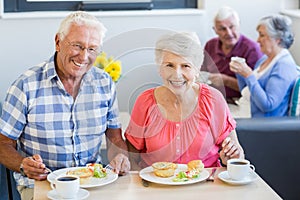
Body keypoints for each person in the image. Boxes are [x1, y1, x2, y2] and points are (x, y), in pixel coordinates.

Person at [0, 11, 130, 199]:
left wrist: (120, 157)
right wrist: (23, 163)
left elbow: (115, 138)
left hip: (92, 184)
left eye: (92, 49)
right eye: (77, 46)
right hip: (42, 186)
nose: (84, 56)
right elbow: (3, 143)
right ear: (58, 42)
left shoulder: (104, 83)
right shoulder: (26, 85)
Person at [125, 32, 244, 170]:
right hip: (156, 187)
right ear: (159, 69)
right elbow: (131, 158)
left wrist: (230, 158)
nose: (177, 74)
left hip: (206, 186)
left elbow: (237, 155)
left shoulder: (213, 99)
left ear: (197, 69)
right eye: (169, 65)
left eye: (185, 66)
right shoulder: (145, 102)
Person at [229, 14, 299, 117]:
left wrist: (248, 75)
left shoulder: (284, 66)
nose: (257, 40)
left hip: (258, 124)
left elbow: (268, 105)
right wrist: (240, 73)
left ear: (277, 39)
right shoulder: (265, 59)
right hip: (244, 112)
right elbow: (247, 91)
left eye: (262, 35)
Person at [201, 6, 263, 104]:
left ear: (239, 25)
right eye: (222, 29)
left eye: (232, 27)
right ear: (215, 30)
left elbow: (256, 89)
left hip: (240, 102)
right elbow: (201, 75)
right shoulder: (210, 45)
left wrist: (226, 80)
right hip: (212, 99)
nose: (228, 33)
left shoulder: (252, 49)